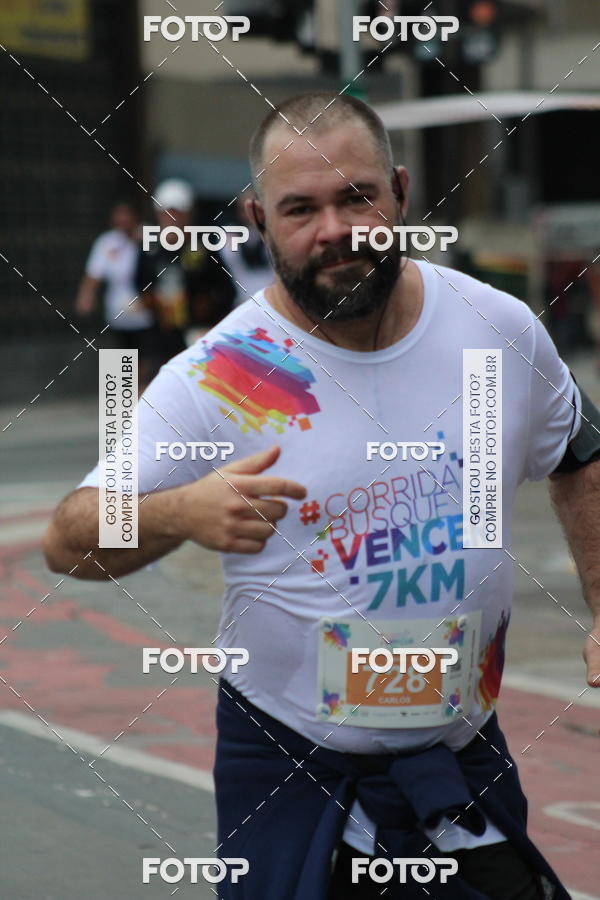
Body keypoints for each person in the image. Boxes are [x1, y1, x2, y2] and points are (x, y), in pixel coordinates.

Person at [44, 92, 600, 899]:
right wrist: (180, 512)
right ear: (258, 219)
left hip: (460, 767)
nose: (334, 229)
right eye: (300, 209)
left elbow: (579, 448)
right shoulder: (218, 376)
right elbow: (68, 538)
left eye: (356, 196)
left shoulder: (496, 327)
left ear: (400, 192)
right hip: (296, 774)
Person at [136, 178, 236, 360]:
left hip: (195, 336)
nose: (171, 220)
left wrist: (211, 321)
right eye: (166, 214)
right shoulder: (149, 249)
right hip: (158, 334)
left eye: (177, 214)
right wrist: (150, 301)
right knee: (122, 372)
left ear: (189, 215)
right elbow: (140, 283)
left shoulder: (204, 249)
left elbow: (227, 291)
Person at [75, 201, 157, 386]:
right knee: (119, 369)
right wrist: (86, 296)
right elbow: (93, 274)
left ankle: (143, 398)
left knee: (146, 368)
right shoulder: (107, 242)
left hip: (148, 315)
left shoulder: (149, 236)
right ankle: (119, 403)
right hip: (117, 314)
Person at [220, 191, 274, 307]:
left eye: (253, 209)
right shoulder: (229, 234)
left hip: (271, 302)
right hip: (243, 301)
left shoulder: (273, 232)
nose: (248, 215)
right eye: (243, 210)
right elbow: (232, 259)